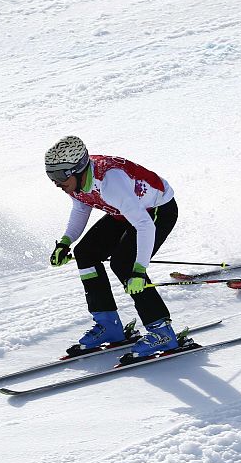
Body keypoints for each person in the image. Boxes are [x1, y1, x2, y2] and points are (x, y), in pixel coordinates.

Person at [45, 135, 179, 359]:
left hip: (155, 211)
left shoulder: (110, 183)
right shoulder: (78, 183)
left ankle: (162, 331)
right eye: (51, 176)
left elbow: (145, 226)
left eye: (59, 176)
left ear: (78, 169)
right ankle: (109, 325)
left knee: (124, 263)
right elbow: (81, 208)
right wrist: (65, 242)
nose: (56, 183)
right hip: (125, 212)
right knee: (85, 253)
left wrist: (138, 270)